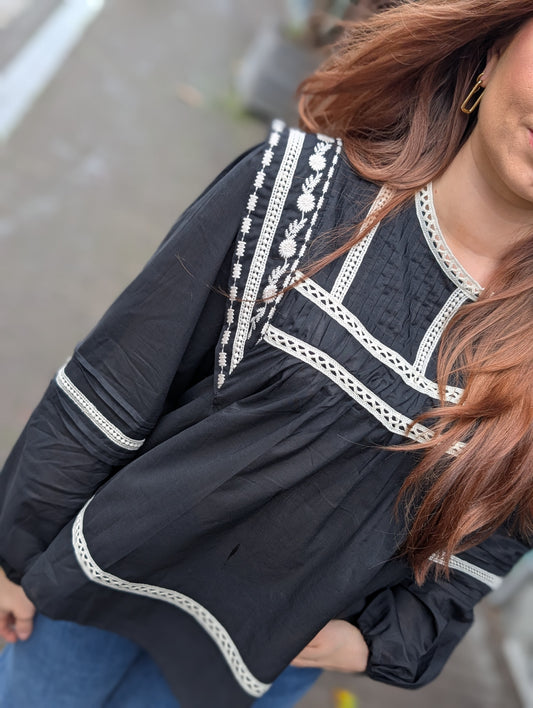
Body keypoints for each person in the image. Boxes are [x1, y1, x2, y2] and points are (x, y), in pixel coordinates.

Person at [1, 0, 532, 706]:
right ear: (493, 49)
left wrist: (379, 642)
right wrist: (15, 551)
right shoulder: (297, 190)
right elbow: (114, 385)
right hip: (96, 588)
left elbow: (489, 542)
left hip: (260, 664)